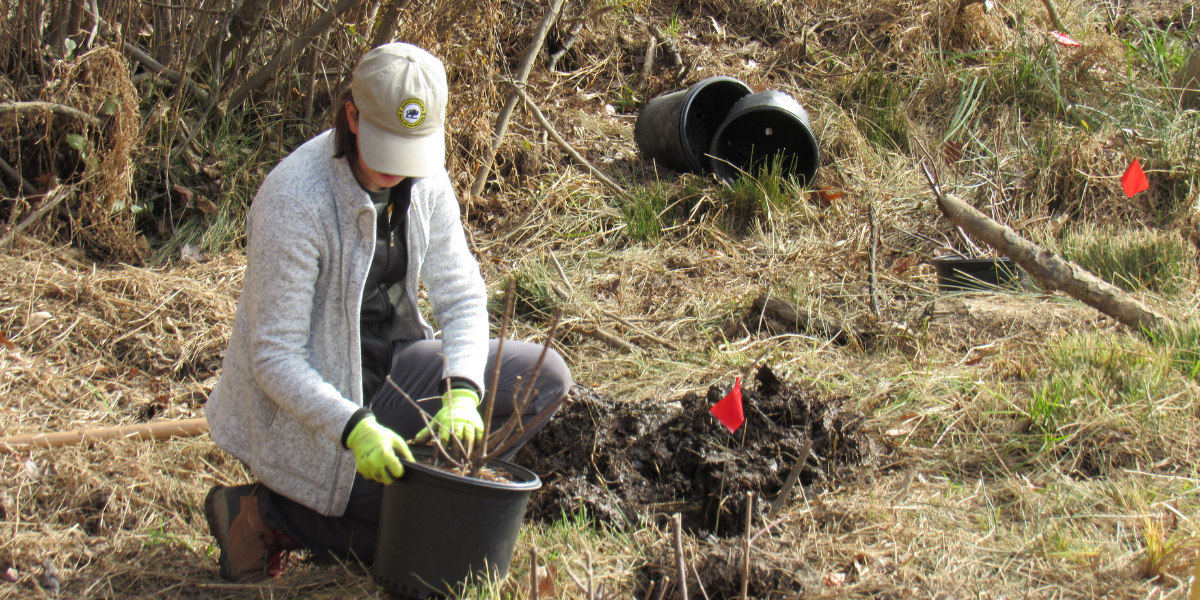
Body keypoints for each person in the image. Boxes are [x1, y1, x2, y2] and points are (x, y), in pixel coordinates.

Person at [202, 42, 571, 583]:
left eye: (410, 154)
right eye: (386, 151)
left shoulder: (425, 180)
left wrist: (464, 392)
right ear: (352, 115)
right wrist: (354, 429)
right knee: (408, 538)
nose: (399, 172)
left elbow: (462, 295)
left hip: (389, 370)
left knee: (543, 378)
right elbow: (275, 358)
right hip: (307, 412)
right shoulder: (295, 199)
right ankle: (262, 513)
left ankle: (389, 494)